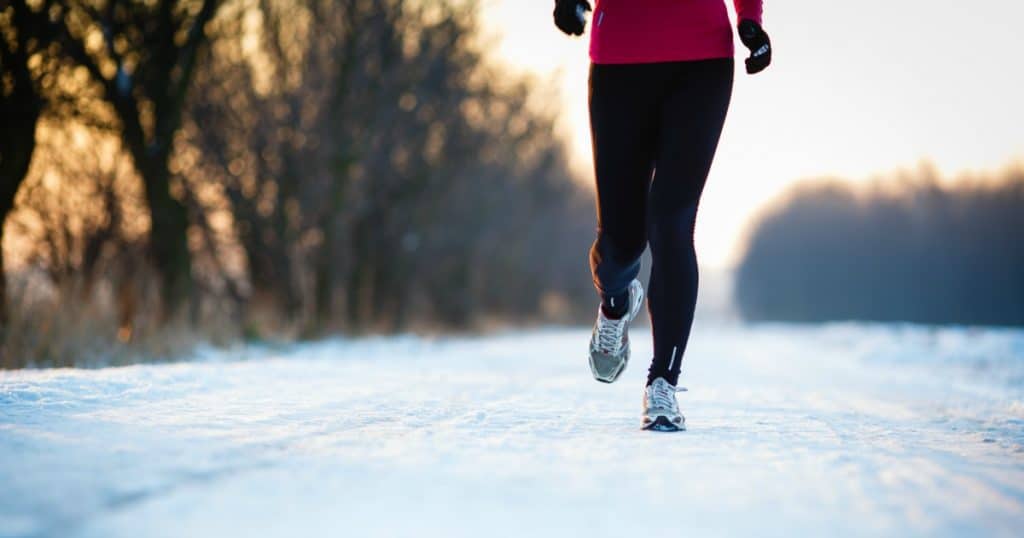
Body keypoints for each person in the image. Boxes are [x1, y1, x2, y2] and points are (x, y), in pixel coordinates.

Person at [553, 0, 772, 431]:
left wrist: (750, 20)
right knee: (621, 239)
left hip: (701, 62)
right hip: (620, 59)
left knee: (671, 223)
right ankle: (616, 304)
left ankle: (662, 384)